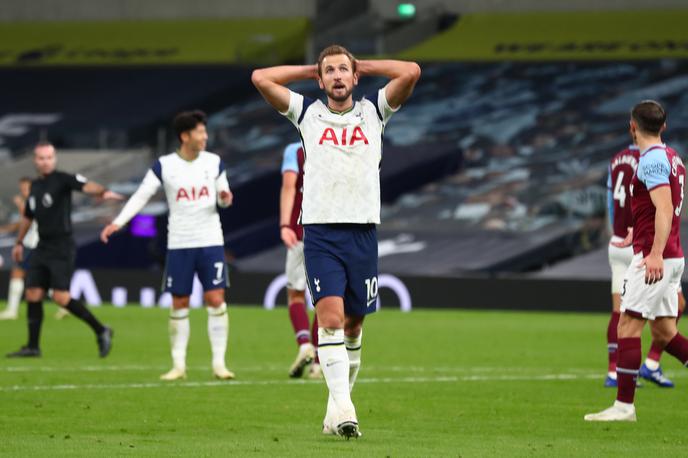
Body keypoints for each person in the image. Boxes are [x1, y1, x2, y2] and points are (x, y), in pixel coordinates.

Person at [252, 44, 420, 437]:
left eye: (344, 70)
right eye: (331, 72)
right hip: (321, 232)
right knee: (328, 321)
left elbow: (410, 70)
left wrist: (363, 64)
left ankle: (334, 411)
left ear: (355, 76)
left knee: (354, 325)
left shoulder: (374, 111)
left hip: (362, 231)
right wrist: (309, 70)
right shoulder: (306, 113)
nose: (338, 77)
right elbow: (260, 77)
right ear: (322, 79)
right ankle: (346, 410)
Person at [101, 110, 235, 381]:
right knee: (179, 301)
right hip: (180, 243)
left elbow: (224, 199)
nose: (205, 136)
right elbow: (141, 195)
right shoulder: (164, 165)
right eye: (200, 132)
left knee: (216, 298)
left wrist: (224, 198)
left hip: (210, 241)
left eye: (205, 132)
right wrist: (119, 222)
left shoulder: (214, 162)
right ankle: (178, 365)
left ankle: (219, 364)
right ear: (185, 136)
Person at [585, 100, 688, 422]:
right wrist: (639, 234)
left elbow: (664, 207)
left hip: (656, 258)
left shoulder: (651, 161)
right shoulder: (672, 157)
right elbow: (660, 207)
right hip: (668, 254)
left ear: (632, 126)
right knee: (664, 333)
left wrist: (654, 251)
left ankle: (624, 407)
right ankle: (624, 405)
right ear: (664, 126)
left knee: (628, 325)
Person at [7, 143, 120, 358]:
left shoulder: (63, 179)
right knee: (33, 292)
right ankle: (33, 346)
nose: (45, 161)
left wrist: (103, 191)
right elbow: (28, 217)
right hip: (42, 246)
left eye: (49, 157)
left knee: (60, 297)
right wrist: (19, 243)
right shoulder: (34, 188)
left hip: (61, 246)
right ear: (35, 160)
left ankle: (101, 330)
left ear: (55, 158)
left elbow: (86, 186)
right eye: (41, 158)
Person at [605, 145, 686, 388]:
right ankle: (635, 379)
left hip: (621, 241)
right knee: (632, 321)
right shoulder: (658, 158)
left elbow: (611, 198)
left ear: (633, 127)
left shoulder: (617, 158)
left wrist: (616, 231)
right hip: (647, 247)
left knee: (633, 317)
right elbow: (663, 206)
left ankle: (625, 371)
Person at [280, 141, 321, 379]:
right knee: (325, 299)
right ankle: (318, 360)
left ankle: (304, 343)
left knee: (296, 294)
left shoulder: (294, 150)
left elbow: (289, 186)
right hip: (327, 234)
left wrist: (285, 224)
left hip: (298, 232)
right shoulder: (334, 143)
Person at [0, 177, 39, 320]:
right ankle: (11, 310)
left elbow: (28, 218)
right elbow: (22, 223)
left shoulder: (35, 200)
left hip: (36, 243)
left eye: (26, 188)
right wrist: (5, 229)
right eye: (22, 188)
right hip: (31, 243)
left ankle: (12, 310)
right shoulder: (32, 201)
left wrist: (20, 205)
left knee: (19, 272)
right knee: (20, 273)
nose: (23, 191)